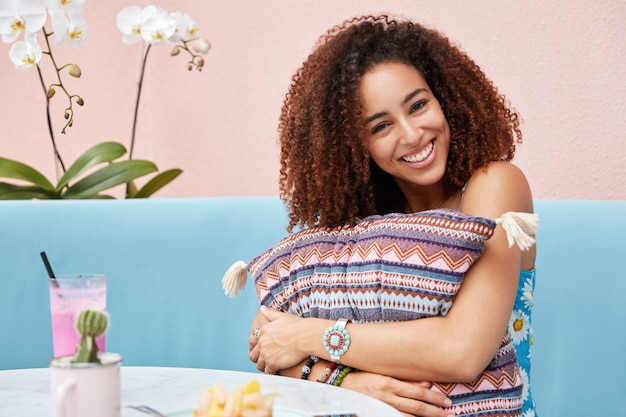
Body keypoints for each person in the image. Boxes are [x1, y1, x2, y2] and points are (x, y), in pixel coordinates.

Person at [238, 14, 537, 417]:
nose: (412, 134)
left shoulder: (495, 185)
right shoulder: (361, 222)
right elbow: (267, 337)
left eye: (418, 105)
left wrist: (311, 337)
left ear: (444, 98)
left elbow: (463, 351)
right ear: (353, 146)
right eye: (381, 127)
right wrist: (348, 381)